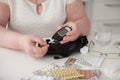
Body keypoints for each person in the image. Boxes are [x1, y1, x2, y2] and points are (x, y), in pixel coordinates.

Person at [0, 0, 90, 58]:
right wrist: (20, 42)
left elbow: (84, 22)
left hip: (60, 58)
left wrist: (77, 28)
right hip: (18, 57)